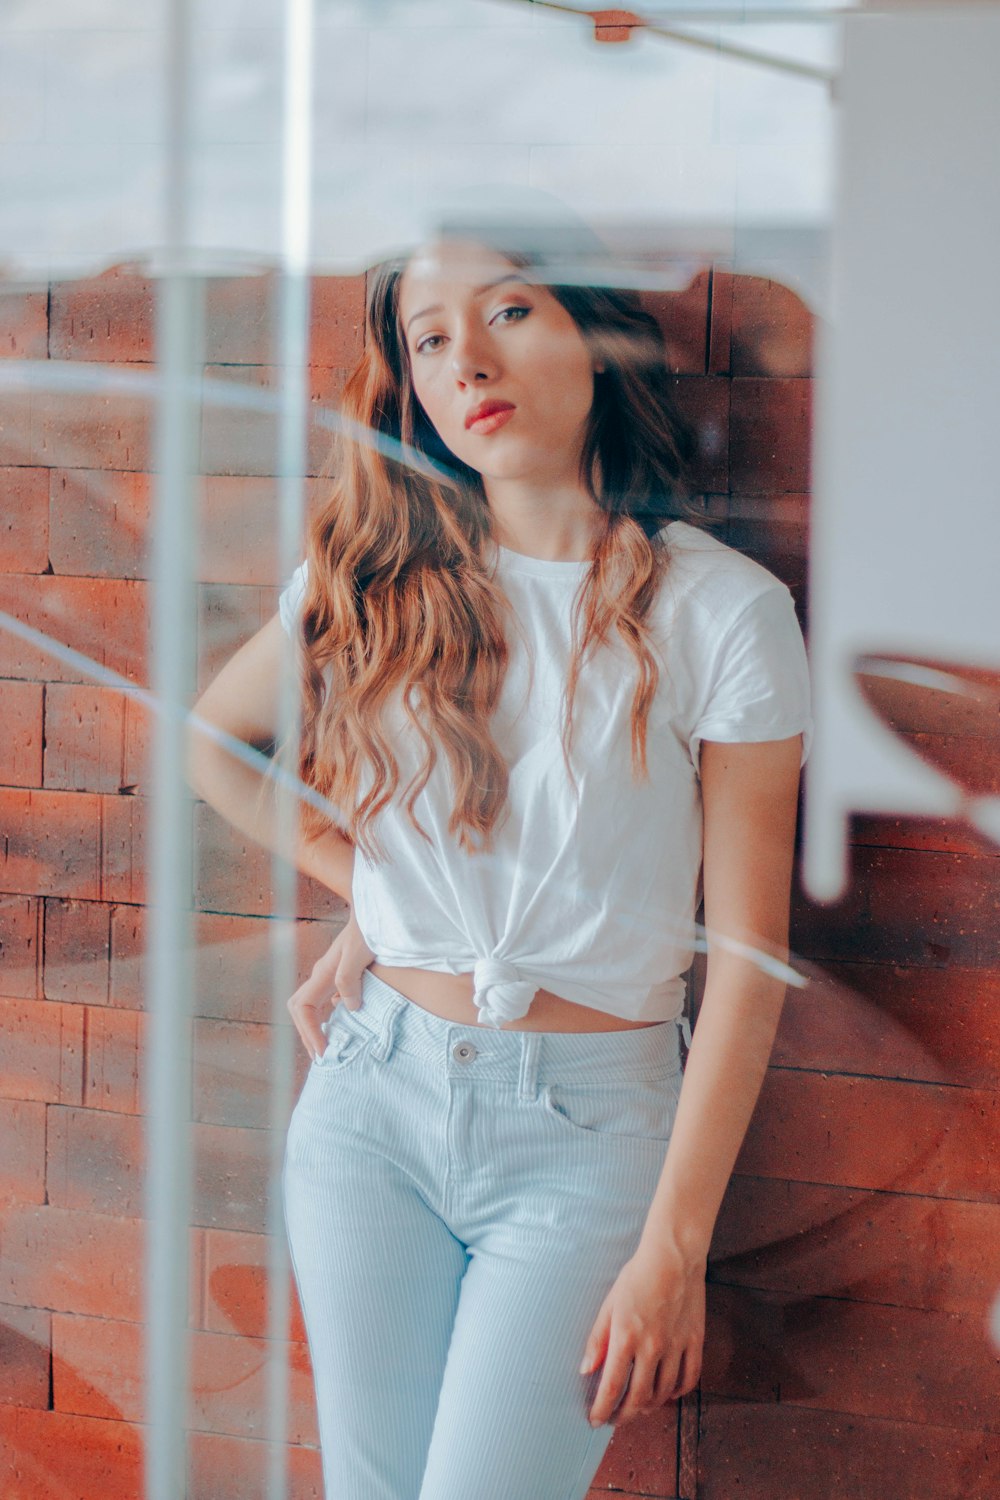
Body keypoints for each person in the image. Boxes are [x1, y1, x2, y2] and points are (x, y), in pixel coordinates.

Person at [186, 193, 813, 1500]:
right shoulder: (372, 574)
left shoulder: (724, 613)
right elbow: (218, 744)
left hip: (588, 1142)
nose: (466, 360)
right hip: (372, 1104)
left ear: (591, 338)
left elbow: (749, 962)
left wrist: (674, 1252)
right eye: (427, 339)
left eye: (509, 312)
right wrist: (385, 899)